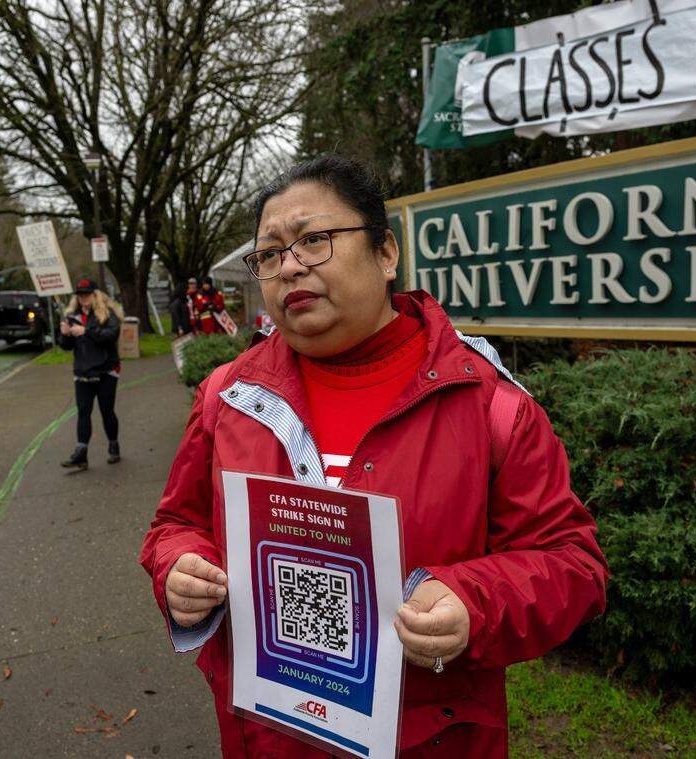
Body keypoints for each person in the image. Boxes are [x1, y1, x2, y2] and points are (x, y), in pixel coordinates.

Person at [140, 156, 609, 756]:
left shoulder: (490, 406)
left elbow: (574, 564)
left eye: (314, 241)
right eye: (270, 253)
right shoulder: (225, 398)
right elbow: (176, 524)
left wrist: (474, 602)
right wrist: (180, 567)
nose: (288, 267)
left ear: (386, 253)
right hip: (265, 737)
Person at [57, 278, 122, 469]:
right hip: (83, 372)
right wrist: (65, 334)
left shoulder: (106, 315)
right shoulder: (72, 316)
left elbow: (110, 337)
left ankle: (113, 446)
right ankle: (81, 454)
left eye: (87, 294)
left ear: (95, 295)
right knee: (83, 412)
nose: (83, 298)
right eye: (80, 295)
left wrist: (85, 331)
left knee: (106, 411)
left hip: (106, 371)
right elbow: (66, 346)